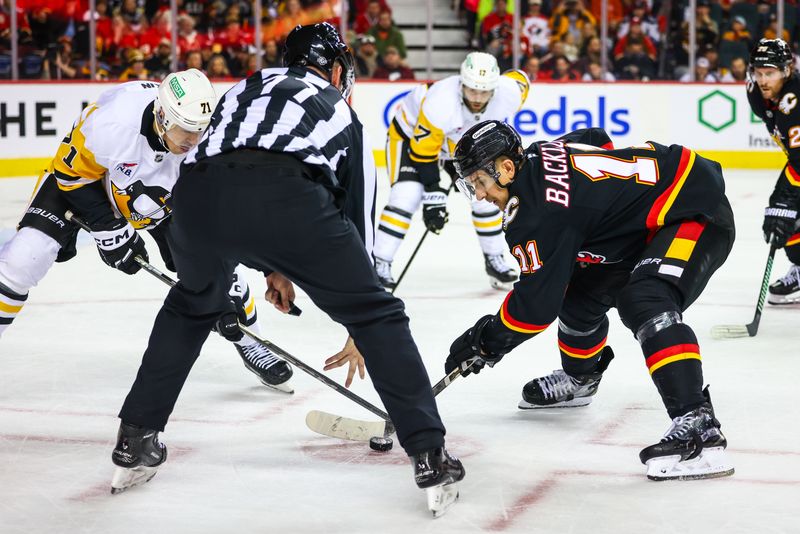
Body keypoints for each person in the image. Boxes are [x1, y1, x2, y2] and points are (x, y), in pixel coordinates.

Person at [108, 23, 464, 515]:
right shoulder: (340, 109)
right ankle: (428, 452)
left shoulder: (242, 89)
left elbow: (229, 183)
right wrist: (358, 315)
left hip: (197, 200)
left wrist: (275, 267)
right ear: (338, 69)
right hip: (289, 200)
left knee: (191, 307)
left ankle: (134, 438)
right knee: (379, 317)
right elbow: (348, 219)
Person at [444, 119, 736, 481]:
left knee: (645, 298)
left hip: (694, 211)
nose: (482, 195)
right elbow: (595, 138)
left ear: (506, 168)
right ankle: (581, 378)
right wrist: (610, 205)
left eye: (481, 183)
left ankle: (698, 423)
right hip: (654, 218)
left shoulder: (535, 216)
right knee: (578, 292)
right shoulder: (536, 154)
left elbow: (535, 309)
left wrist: (485, 341)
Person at [0, 69, 293, 392]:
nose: (193, 141)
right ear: (164, 117)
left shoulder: (213, 142)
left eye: (200, 131)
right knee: (22, 258)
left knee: (220, 268)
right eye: (186, 131)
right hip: (91, 183)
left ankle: (250, 340)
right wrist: (106, 226)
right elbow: (71, 175)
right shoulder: (113, 122)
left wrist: (237, 277)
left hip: (158, 198)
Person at [374, 52, 529, 290]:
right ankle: (379, 262)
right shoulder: (440, 101)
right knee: (406, 196)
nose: (477, 98)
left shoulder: (509, 92)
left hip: (458, 142)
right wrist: (434, 195)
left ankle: (494, 258)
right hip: (409, 138)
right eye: (471, 90)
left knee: (487, 196)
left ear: (495, 88)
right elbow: (423, 152)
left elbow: (520, 79)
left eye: (484, 91)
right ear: (461, 84)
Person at [747, 38, 800, 304]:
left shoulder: (795, 101)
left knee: (783, 212)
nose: (763, 80)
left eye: (770, 73)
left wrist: (785, 198)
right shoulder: (757, 93)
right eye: (759, 73)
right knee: (782, 218)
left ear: (787, 71)